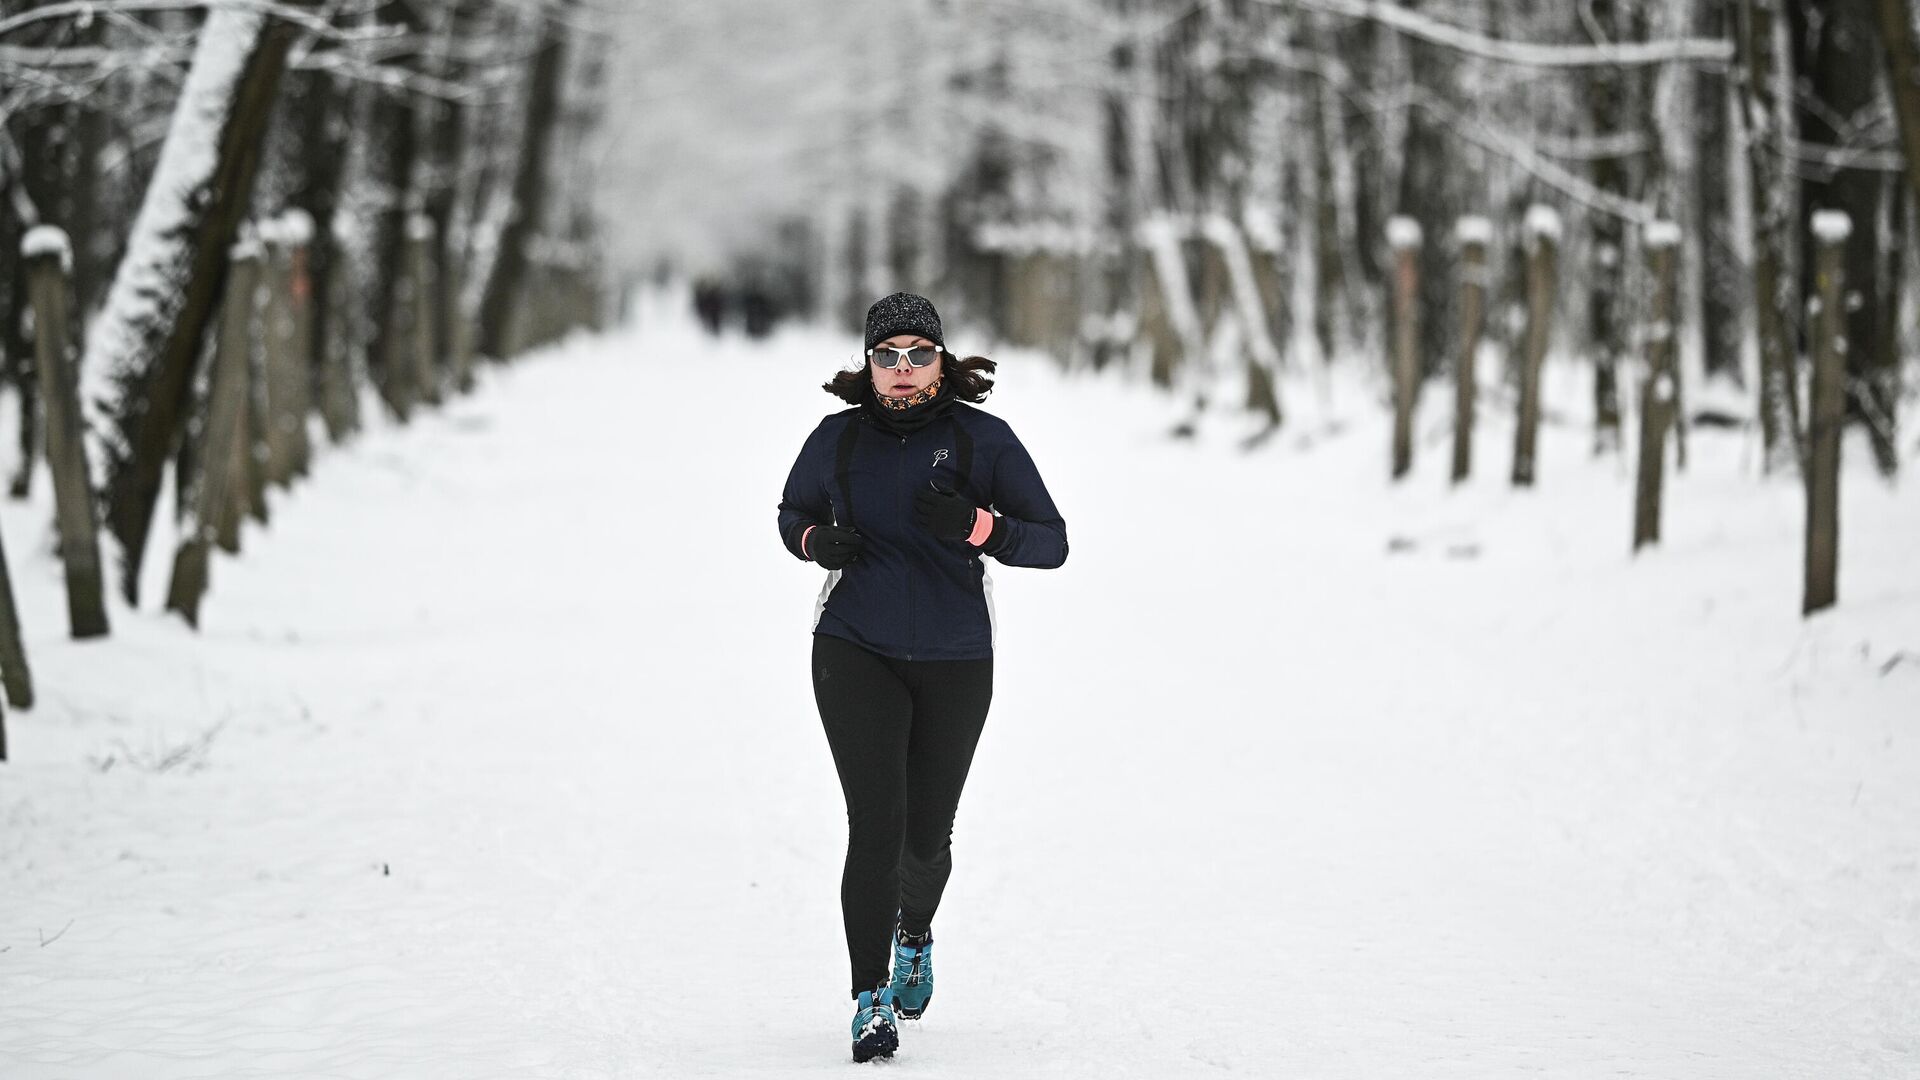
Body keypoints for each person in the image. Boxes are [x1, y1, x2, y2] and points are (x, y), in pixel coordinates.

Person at [776, 292, 1069, 1062]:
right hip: (854, 647)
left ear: (942, 360)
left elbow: (1052, 542)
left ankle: (915, 933)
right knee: (876, 826)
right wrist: (814, 541)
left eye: (918, 355)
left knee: (926, 837)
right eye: (886, 356)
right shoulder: (835, 440)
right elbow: (789, 514)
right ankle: (870, 999)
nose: (902, 372)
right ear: (866, 365)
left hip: (955, 657)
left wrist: (981, 528)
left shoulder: (985, 442)